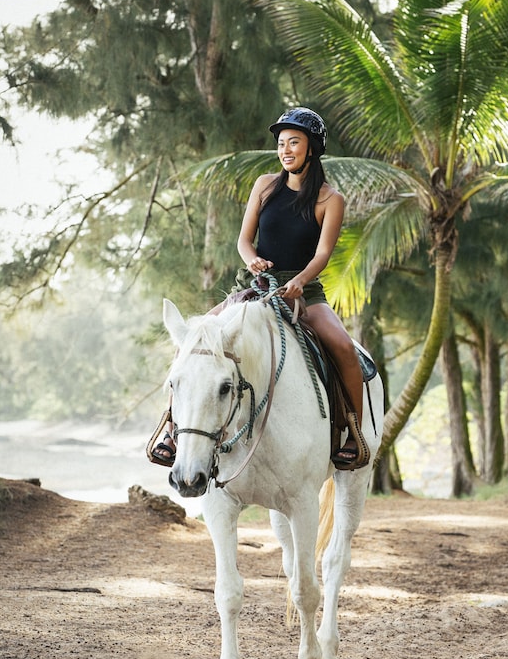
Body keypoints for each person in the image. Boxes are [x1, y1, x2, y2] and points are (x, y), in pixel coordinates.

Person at [148, 106, 368, 471]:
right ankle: (172, 429)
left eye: (294, 143)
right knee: (193, 340)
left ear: (312, 148)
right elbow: (244, 240)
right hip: (254, 284)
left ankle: (353, 435)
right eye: (281, 143)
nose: (286, 150)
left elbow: (323, 253)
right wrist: (251, 259)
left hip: (303, 289)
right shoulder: (264, 185)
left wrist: (300, 281)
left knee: (344, 347)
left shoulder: (331, 199)